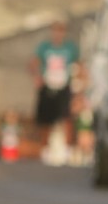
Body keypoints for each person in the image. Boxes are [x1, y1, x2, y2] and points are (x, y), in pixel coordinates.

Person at [33, 21, 79, 154]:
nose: (58, 34)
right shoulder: (45, 47)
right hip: (48, 85)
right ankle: (45, 148)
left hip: (64, 86)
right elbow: (34, 63)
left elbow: (78, 64)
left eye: (61, 31)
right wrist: (37, 77)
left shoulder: (70, 48)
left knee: (67, 117)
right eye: (55, 31)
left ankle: (68, 149)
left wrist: (80, 82)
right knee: (45, 119)